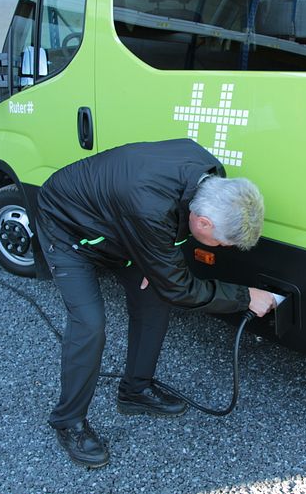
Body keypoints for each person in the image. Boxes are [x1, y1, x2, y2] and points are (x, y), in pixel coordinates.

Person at [35, 138, 276, 468]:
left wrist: (158, 263)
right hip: (67, 225)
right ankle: (68, 421)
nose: (221, 247)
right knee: (89, 324)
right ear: (203, 223)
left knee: (154, 300)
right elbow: (180, 288)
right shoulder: (147, 206)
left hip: (121, 223)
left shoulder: (211, 174)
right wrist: (245, 295)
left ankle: (135, 391)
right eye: (222, 241)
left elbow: (170, 234)